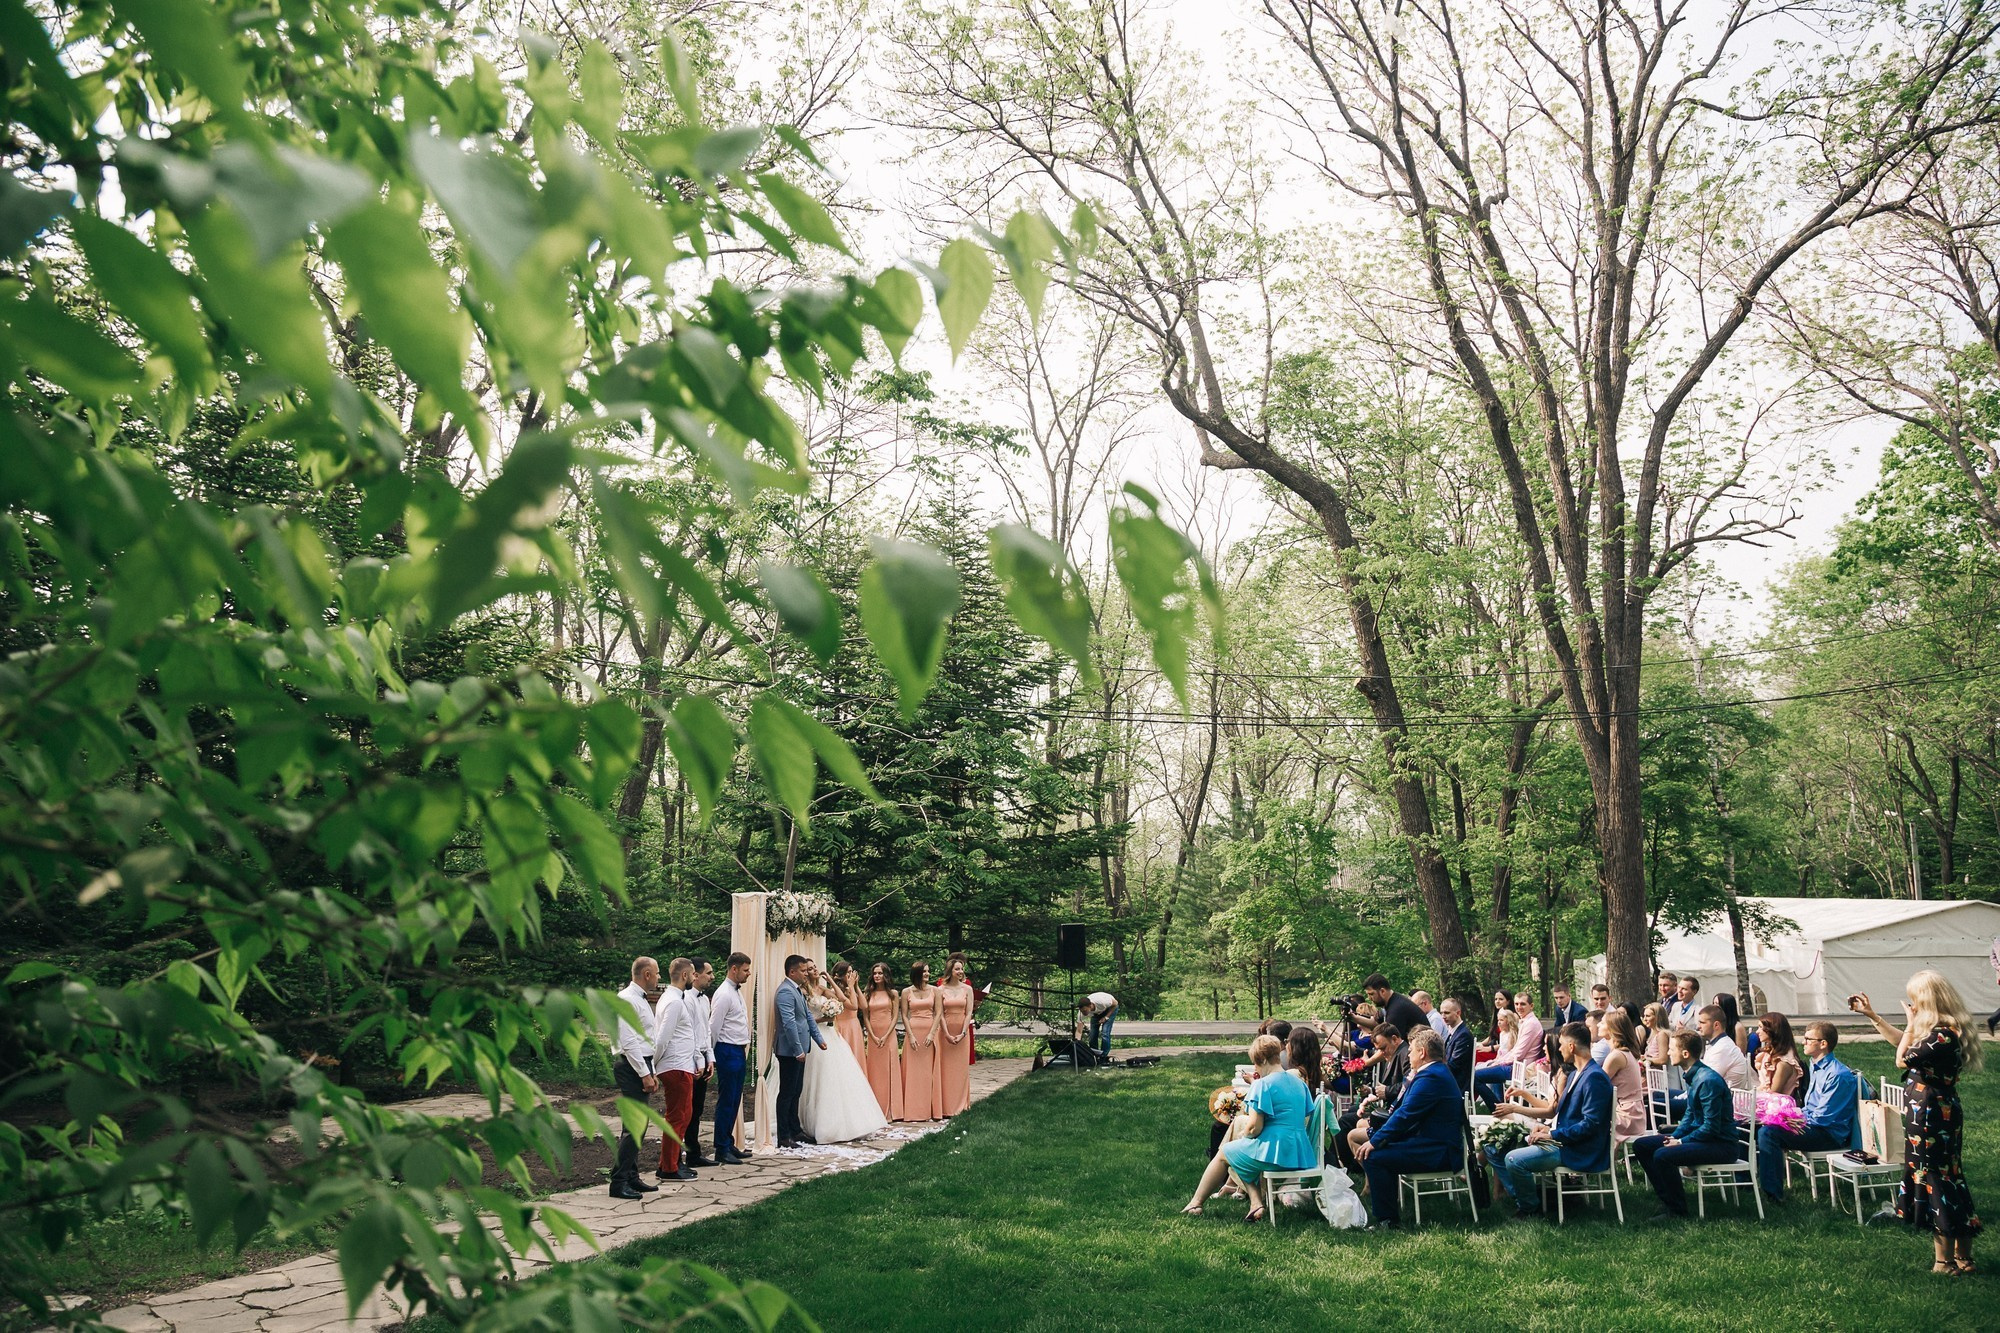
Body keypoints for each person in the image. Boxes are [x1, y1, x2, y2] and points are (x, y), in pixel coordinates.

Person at [1853, 972, 1983, 1275]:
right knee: (1949, 1178)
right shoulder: (1942, 1033)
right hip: (1935, 1112)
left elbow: (1902, 1059)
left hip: (1930, 1116)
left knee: (1937, 1181)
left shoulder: (1942, 1034)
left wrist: (1911, 1023)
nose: (1911, 1005)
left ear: (1927, 1000)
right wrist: (1873, 1016)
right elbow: (1905, 1045)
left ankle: (1944, 1261)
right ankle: (1963, 1258)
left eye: (1914, 1000)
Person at [1485, 1022, 1612, 1219]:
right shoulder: (1575, 1074)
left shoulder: (1594, 1077)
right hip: (1563, 1140)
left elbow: (1591, 1125)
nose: (1558, 1048)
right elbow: (1557, 1112)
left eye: (1561, 1044)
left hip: (1577, 1148)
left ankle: (1529, 1208)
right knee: (1500, 1147)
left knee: (1514, 1159)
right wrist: (1544, 1130)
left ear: (1572, 1047)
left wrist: (1552, 1134)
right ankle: (1532, 1197)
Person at [1183, 1036, 1316, 1220]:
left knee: (1225, 1153)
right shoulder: (1300, 1084)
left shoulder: (1262, 1084)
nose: (1255, 1069)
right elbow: (1305, 1115)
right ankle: (1255, 1204)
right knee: (1239, 1154)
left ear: (1261, 1060)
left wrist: (1243, 1135)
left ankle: (1195, 1203)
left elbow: (1254, 1127)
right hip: (1300, 1153)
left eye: (1255, 1064)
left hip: (1275, 1153)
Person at [1357, 1028, 1464, 1230]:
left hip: (1438, 1150)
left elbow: (1405, 1115)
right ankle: (1388, 1214)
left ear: (1422, 1053)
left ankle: (1387, 1221)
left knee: (1374, 1157)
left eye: (1412, 1051)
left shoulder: (1431, 1077)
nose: (1409, 1055)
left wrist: (1374, 1142)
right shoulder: (1435, 1072)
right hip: (1430, 1142)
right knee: (1378, 1152)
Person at [1631, 1031, 1740, 1221]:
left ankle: (1677, 1210)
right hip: (1705, 1139)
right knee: (1642, 1145)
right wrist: (1675, 1137)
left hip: (1721, 1145)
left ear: (1685, 1054)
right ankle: (1667, 1198)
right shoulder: (1693, 1075)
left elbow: (1711, 1127)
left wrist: (1680, 1141)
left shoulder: (1707, 1080)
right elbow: (1690, 1115)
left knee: (1662, 1155)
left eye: (1672, 1049)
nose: (1669, 1052)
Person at [1754, 1020, 1862, 1204]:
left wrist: (1796, 1118)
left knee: (1769, 1133)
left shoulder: (1837, 1075)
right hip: (1814, 1124)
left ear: (1823, 1044)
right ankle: (1753, 1184)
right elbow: (1811, 1107)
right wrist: (1791, 1116)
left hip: (1828, 1134)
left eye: (1808, 1039)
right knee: (1763, 1125)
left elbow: (1825, 1117)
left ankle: (1773, 1195)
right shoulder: (1815, 1066)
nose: (1803, 1042)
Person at [799, 963, 889, 1144]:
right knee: (817, 1080)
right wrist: (825, 1018)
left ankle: (845, 1121)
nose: (814, 970)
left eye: (814, 967)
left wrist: (832, 981)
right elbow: (805, 1017)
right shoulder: (803, 991)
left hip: (831, 1035)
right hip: (816, 1035)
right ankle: (815, 1122)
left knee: (838, 1078)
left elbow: (849, 1004)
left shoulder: (823, 989)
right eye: (810, 969)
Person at [610, 956, 662, 1198]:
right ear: (647, 974)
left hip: (642, 1063)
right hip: (631, 1065)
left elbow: (645, 1039)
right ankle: (618, 1182)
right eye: (657, 973)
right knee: (634, 1127)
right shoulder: (627, 1000)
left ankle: (631, 1176)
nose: (660, 977)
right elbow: (629, 1042)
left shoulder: (639, 999)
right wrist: (644, 1074)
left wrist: (652, 1070)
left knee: (637, 1127)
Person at [651, 957, 703, 1181]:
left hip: (683, 1065)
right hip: (675, 1065)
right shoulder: (673, 1002)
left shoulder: (676, 999)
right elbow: (662, 1038)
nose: (694, 978)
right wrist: (652, 1065)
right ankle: (669, 1168)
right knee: (677, 1117)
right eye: (693, 974)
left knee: (684, 1115)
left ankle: (671, 1162)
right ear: (684, 976)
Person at [1338, 1024, 1408, 1168]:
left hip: (1395, 1113)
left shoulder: (1404, 1054)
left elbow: (1408, 1085)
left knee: (1346, 1121)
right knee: (1352, 1111)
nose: (1381, 1053)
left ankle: (1351, 1165)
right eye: (1379, 1049)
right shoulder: (1393, 1053)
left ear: (1394, 1039)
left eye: (1383, 1048)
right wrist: (1370, 1090)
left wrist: (1386, 1091)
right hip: (1388, 1107)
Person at [773, 953, 823, 1148]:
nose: (806, 974)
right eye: (803, 971)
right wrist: (797, 1049)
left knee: (796, 1091)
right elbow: (789, 1023)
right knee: (786, 1093)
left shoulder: (798, 990)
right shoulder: (785, 992)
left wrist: (818, 1039)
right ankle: (784, 1136)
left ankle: (796, 1130)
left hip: (802, 1048)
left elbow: (808, 1018)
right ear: (792, 971)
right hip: (789, 1050)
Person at [709, 952, 753, 1164]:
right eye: (745, 970)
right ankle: (721, 1147)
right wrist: (712, 1054)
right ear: (733, 969)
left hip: (738, 1049)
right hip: (727, 1049)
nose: (748, 973)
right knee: (727, 1099)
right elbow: (714, 1027)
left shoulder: (736, 992)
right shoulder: (724, 993)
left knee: (736, 1099)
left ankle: (728, 1141)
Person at [682, 957, 717, 1169]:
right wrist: (697, 1060)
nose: (712, 977)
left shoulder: (705, 1000)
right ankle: (681, 1155)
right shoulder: (685, 999)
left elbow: (706, 1032)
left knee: (698, 1109)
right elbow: (690, 1034)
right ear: (695, 975)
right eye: (709, 973)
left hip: (704, 1057)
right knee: (686, 1110)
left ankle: (694, 1154)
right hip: (689, 1059)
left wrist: (710, 1058)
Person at [1599, 1007, 1648, 1144]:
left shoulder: (1616, 1056)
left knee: (1589, 1123)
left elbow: (1597, 1084)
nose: (1598, 1025)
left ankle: (1599, 1162)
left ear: (1611, 1029)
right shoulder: (1621, 1052)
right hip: (1630, 1111)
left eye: (1602, 1023)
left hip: (1627, 1115)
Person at [861, 961, 902, 1121]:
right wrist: (872, 1034)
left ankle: (892, 1110)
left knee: (889, 1069)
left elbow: (895, 1016)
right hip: (873, 1036)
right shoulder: (868, 994)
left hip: (888, 1035)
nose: (877, 976)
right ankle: (875, 1108)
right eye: (875, 973)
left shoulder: (893, 993)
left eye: (880, 973)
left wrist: (885, 1036)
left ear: (886, 975)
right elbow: (865, 1017)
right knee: (875, 1071)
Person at [901, 962, 943, 1120]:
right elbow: (905, 1015)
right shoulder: (906, 992)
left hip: (929, 1032)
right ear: (917, 973)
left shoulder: (935, 991)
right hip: (913, 1031)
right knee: (912, 1073)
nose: (927, 974)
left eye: (928, 971)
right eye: (924, 971)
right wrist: (910, 1035)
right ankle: (912, 1111)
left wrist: (932, 1034)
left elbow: (938, 1013)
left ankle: (928, 1110)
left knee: (927, 1073)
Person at [937, 954, 976, 1116]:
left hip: (962, 1032)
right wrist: (946, 1033)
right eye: (957, 969)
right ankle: (945, 1107)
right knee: (945, 1070)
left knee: (960, 1070)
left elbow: (969, 1013)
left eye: (962, 969)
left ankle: (961, 1106)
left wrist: (963, 1033)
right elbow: (938, 1013)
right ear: (950, 970)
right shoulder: (940, 990)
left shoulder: (967, 989)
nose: (960, 971)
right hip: (944, 1032)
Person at [1473, 1009, 1520, 1108]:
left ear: (1508, 1021)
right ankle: (1493, 1097)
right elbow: (1500, 1051)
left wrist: (1498, 1061)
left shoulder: (1511, 1035)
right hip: (1500, 1059)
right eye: (1498, 1020)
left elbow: (1509, 1052)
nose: (1499, 1022)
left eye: (1501, 1020)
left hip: (1506, 1062)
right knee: (1480, 1067)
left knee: (1486, 1070)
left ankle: (1497, 1099)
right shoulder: (1502, 1034)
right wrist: (1496, 1059)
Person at [1360, 974, 1428, 1039]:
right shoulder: (1392, 1003)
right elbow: (1374, 1022)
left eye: (1371, 994)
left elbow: (1391, 1042)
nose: (1369, 998)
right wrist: (1353, 1017)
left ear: (1382, 991)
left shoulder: (1396, 1010)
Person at [1752, 1012, 1803, 1098]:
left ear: (1772, 1030)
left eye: (1761, 1027)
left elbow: (1773, 1094)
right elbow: (1763, 1086)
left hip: (1775, 1107)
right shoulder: (1770, 1052)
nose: (1757, 1031)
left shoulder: (1783, 1062)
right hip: (1764, 1101)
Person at [828, 960, 866, 1064]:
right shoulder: (834, 991)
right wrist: (851, 987)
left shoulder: (851, 989)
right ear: (840, 974)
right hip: (843, 1026)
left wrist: (856, 986)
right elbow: (853, 1006)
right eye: (848, 972)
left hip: (855, 1026)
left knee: (857, 1056)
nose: (851, 975)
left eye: (851, 972)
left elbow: (864, 1006)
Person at [1439, 997, 1475, 1094]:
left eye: (1446, 1013)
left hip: (1457, 1084)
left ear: (1458, 1013)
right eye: (1441, 1013)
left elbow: (1454, 1065)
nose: (1443, 1016)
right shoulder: (1453, 1032)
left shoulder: (1463, 1035)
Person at [1080, 989, 1120, 1060]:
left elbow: (1116, 1003)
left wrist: (1106, 1017)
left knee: (1105, 1033)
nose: (1084, 1013)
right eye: (1082, 1011)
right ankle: (1094, 1055)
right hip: (1096, 1014)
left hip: (1110, 1009)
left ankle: (1103, 1056)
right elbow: (1078, 1031)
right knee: (1092, 1034)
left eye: (1085, 1011)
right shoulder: (1081, 1013)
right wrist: (1076, 1044)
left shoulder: (1102, 1002)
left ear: (1090, 1006)